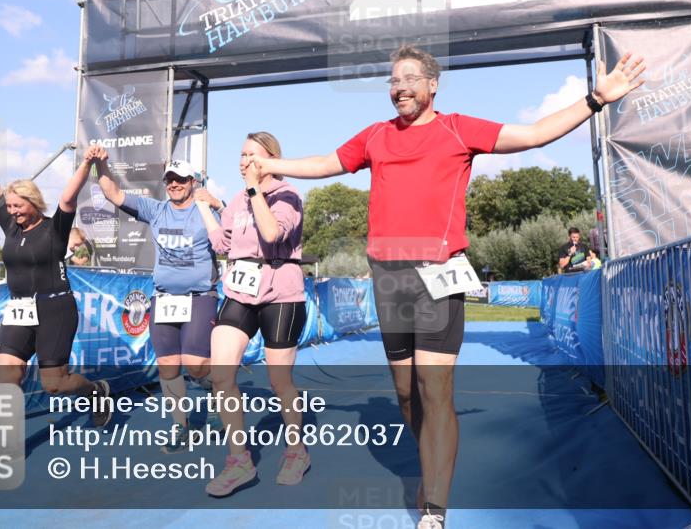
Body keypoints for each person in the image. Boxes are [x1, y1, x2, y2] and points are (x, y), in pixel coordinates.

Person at [250, 44, 645, 528]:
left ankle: (434, 507)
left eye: (410, 79)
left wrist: (595, 100)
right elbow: (326, 162)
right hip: (388, 279)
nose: (400, 88)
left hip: (438, 274)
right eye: (393, 81)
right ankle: (432, 461)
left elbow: (536, 134)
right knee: (405, 393)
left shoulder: (458, 129)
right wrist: (274, 166)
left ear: (433, 85)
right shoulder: (375, 136)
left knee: (433, 388)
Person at [193, 131, 310, 497]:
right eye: (241, 155)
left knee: (279, 382)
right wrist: (205, 209)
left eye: (252, 155)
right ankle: (239, 459)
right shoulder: (238, 200)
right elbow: (223, 243)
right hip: (240, 292)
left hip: (281, 293)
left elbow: (273, 233)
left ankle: (296, 451)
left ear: (271, 159)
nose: (244, 161)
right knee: (221, 375)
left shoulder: (287, 195)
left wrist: (254, 190)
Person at [0, 129, 112, 427]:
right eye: (9, 207)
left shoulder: (55, 229)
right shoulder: (11, 227)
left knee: (54, 385)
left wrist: (86, 164)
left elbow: (68, 196)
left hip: (55, 310)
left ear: (34, 203)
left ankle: (95, 391)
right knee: (6, 378)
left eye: (18, 206)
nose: (13, 212)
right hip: (19, 311)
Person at [92, 147, 221, 452]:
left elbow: (233, 232)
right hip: (164, 298)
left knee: (196, 365)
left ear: (193, 182)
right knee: (167, 367)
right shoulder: (155, 209)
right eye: (170, 180)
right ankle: (180, 424)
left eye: (181, 179)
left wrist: (217, 202)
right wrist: (100, 164)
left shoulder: (205, 210)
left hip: (200, 296)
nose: (175, 184)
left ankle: (219, 388)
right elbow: (112, 193)